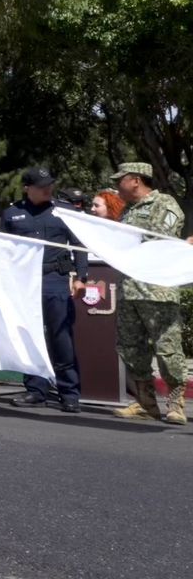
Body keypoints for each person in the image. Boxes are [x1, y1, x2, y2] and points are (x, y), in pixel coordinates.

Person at [0, 168, 86, 413]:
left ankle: (69, 393)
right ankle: (36, 390)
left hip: (55, 279)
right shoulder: (12, 214)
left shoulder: (64, 211)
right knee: (31, 336)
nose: (48, 189)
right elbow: (1, 249)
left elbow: (79, 245)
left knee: (61, 338)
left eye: (50, 184)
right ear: (27, 188)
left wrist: (81, 278)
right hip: (24, 283)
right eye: (41, 186)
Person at [109, 162, 188, 425]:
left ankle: (175, 403)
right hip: (129, 289)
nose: (116, 185)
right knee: (131, 349)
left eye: (120, 180)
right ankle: (146, 403)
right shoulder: (126, 211)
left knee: (167, 348)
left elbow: (161, 239)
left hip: (157, 291)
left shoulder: (165, 204)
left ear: (135, 180)